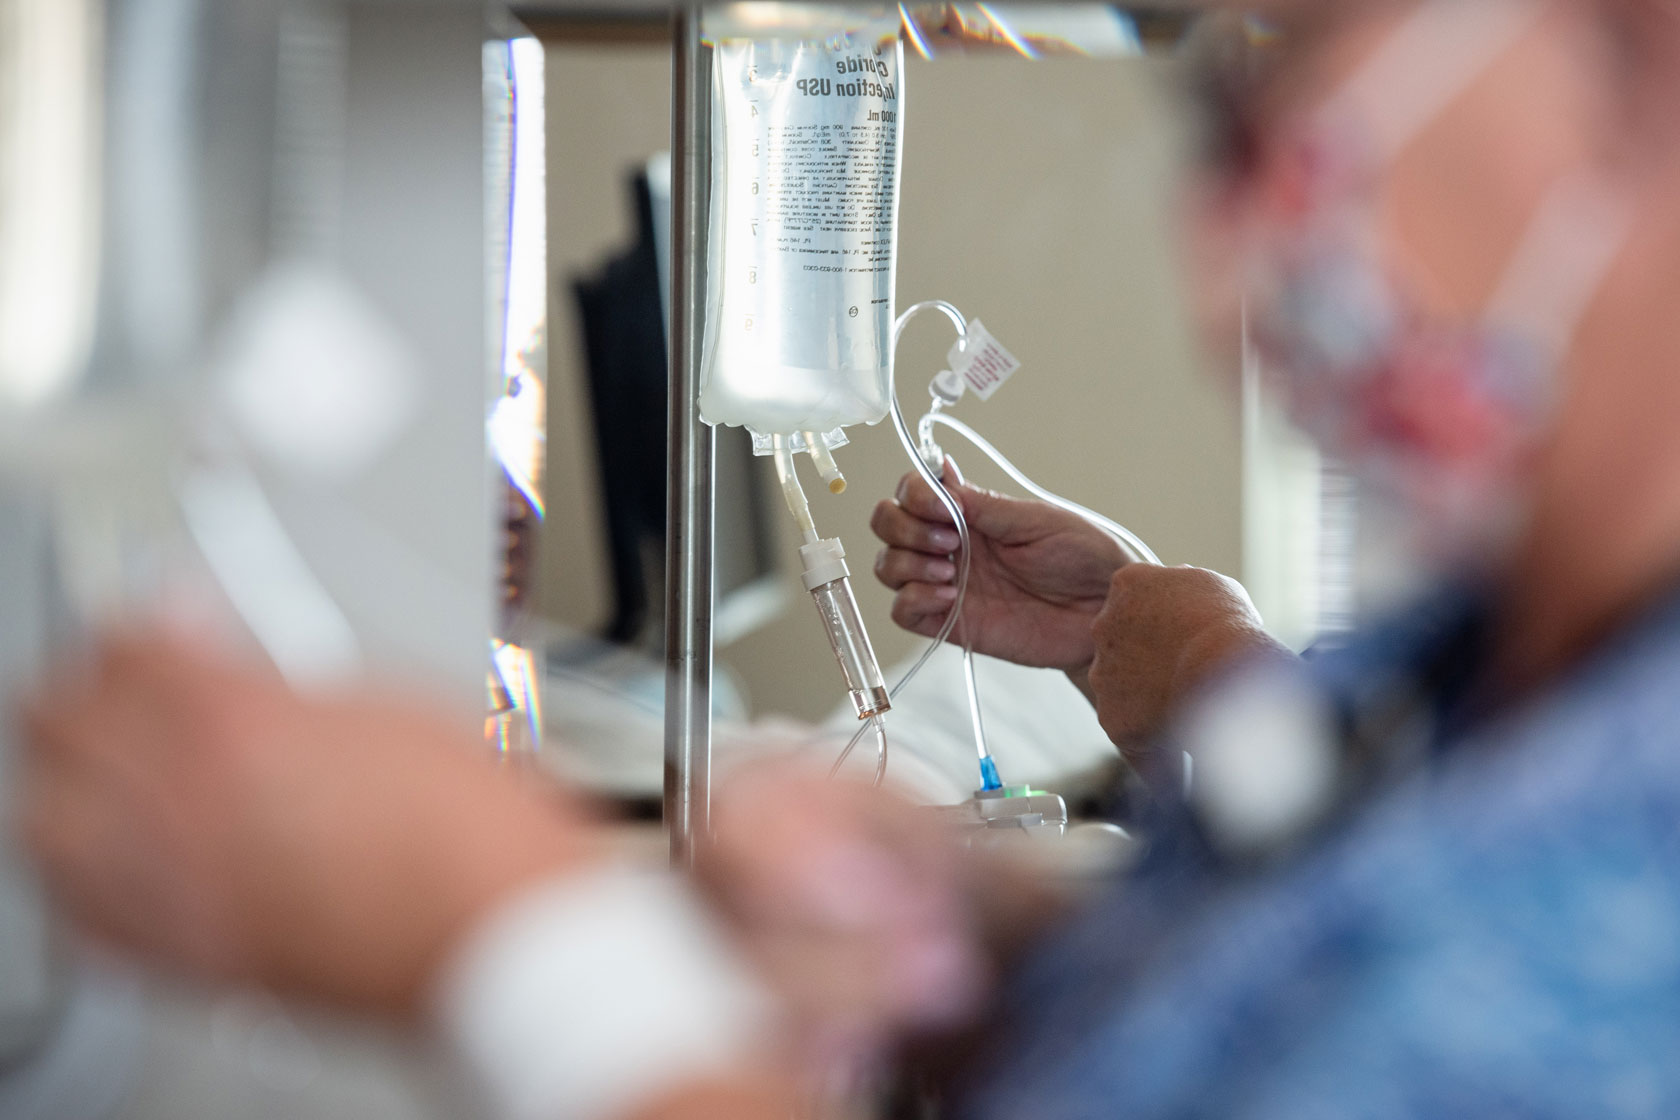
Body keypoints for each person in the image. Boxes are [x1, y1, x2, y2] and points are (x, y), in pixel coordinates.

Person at [17, 0, 1680, 1116]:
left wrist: (500, 939)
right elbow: (1345, 940)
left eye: (1296, 85)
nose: (1227, 255)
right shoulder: (1521, 660)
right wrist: (1009, 950)